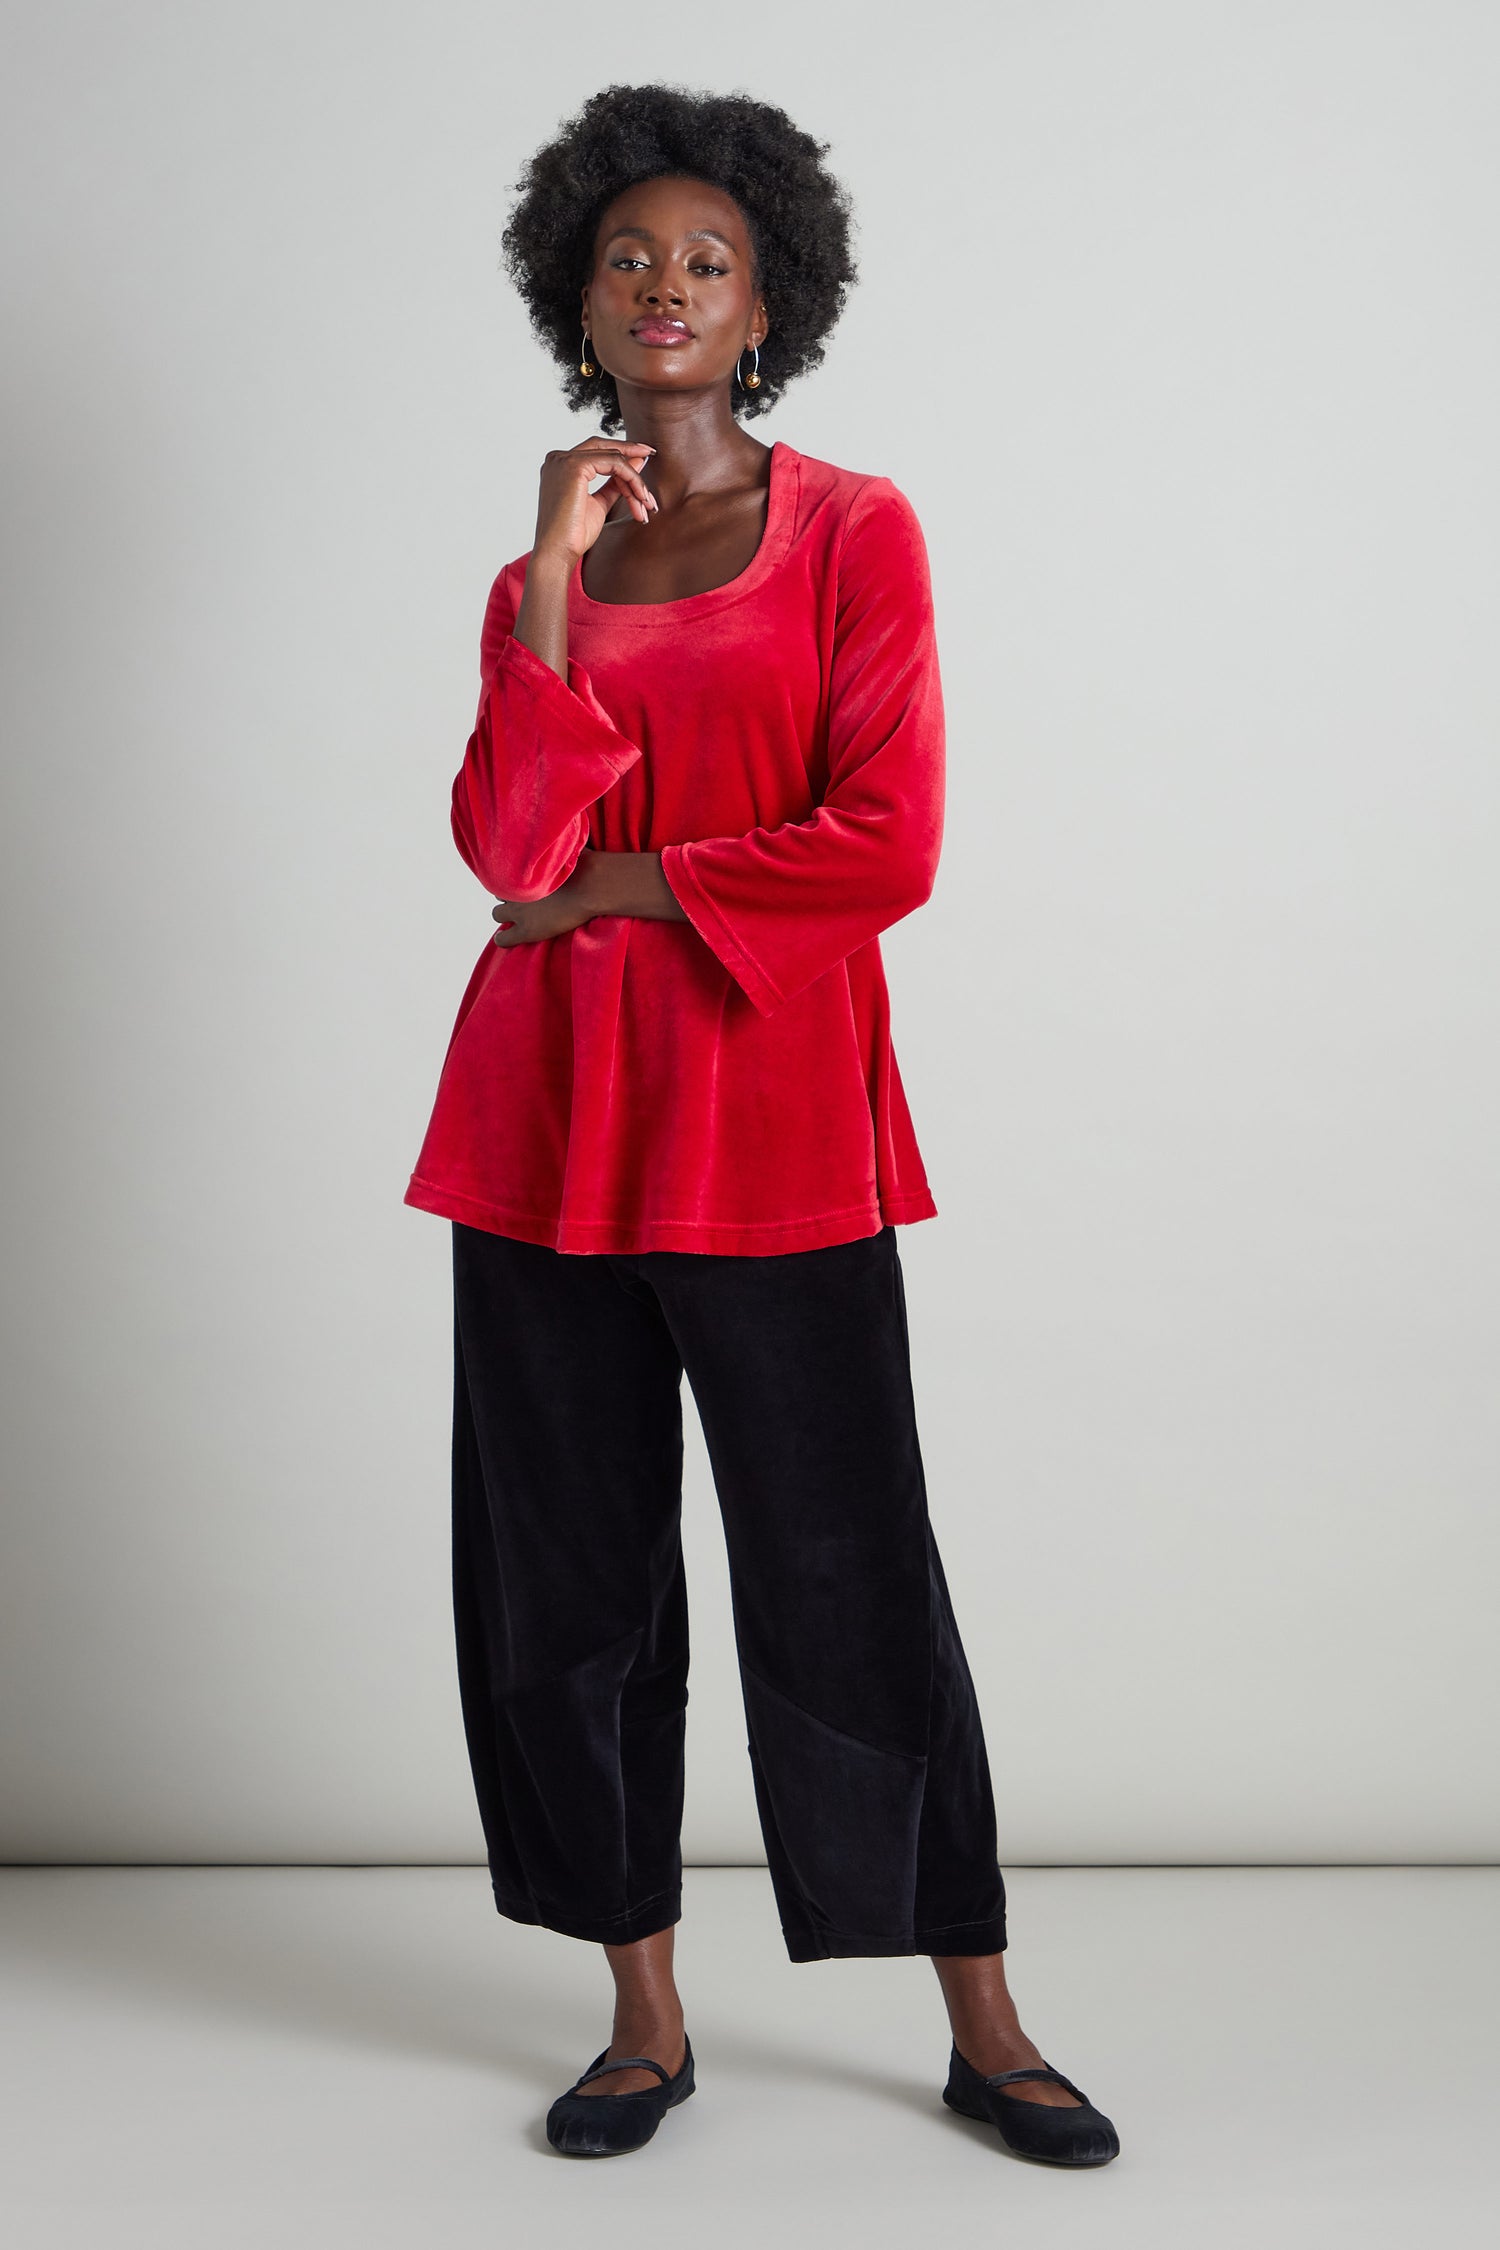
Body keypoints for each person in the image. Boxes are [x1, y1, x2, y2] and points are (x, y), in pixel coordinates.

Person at [404, 83, 1119, 2168]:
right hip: (540, 1131)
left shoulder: (854, 530)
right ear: (580, 291)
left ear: (770, 295)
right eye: (630, 255)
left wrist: (633, 885)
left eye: (709, 258)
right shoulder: (538, 574)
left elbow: (882, 838)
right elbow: (500, 844)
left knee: (848, 1568)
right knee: (568, 1587)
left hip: (773, 1119)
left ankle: (982, 2013)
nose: (667, 286)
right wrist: (553, 575)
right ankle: (640, 2015)